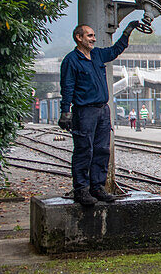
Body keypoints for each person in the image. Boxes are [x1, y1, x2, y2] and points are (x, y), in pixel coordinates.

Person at [58, 21, 140, 206]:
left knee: (102, 150)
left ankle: (97, 187)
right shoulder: (71, 61)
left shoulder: (96, 55)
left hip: (103, 110)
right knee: (84, 150)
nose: (94, 39)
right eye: (90, 36)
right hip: (84, 111)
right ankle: (81, 189)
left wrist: (127, 31)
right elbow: (68, 87)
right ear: (79, 38)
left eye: (94, 36)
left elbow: (115, 50)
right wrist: (65, 111)